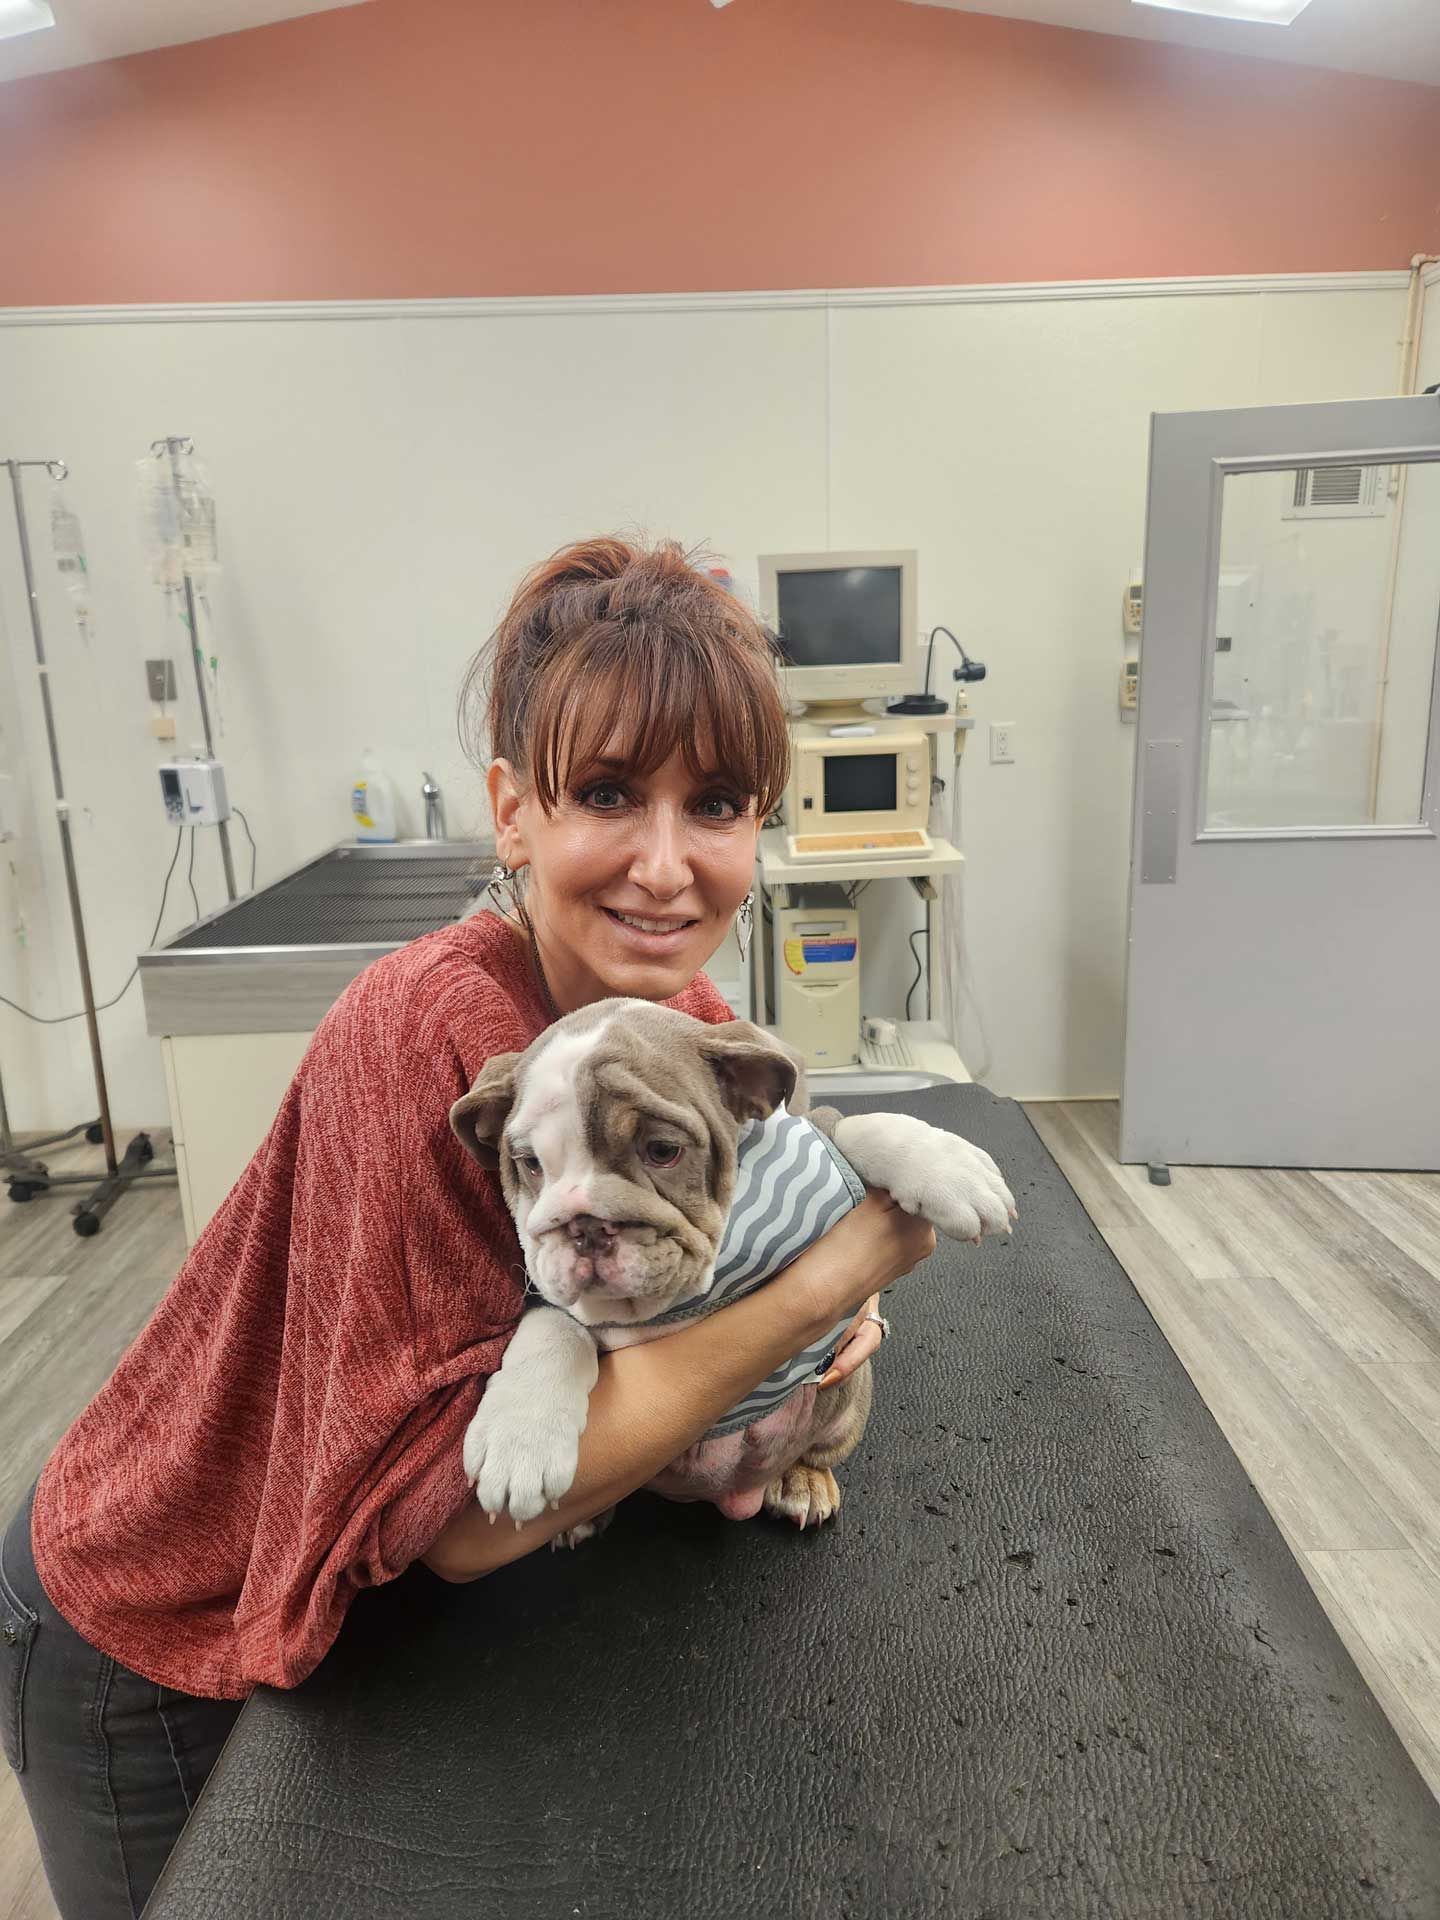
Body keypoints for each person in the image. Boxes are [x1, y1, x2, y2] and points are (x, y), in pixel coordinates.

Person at [0, 536, 936, 1920]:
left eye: (719, 803)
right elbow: (460, 1523)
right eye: (609, 794)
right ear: (512, 809)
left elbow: (776, 1196)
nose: (668, 866)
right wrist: (820, 1293)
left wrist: (822, 1282)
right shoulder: (430, 1031)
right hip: (158, 1602)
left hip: (342, 1614)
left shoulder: (676, 1024)